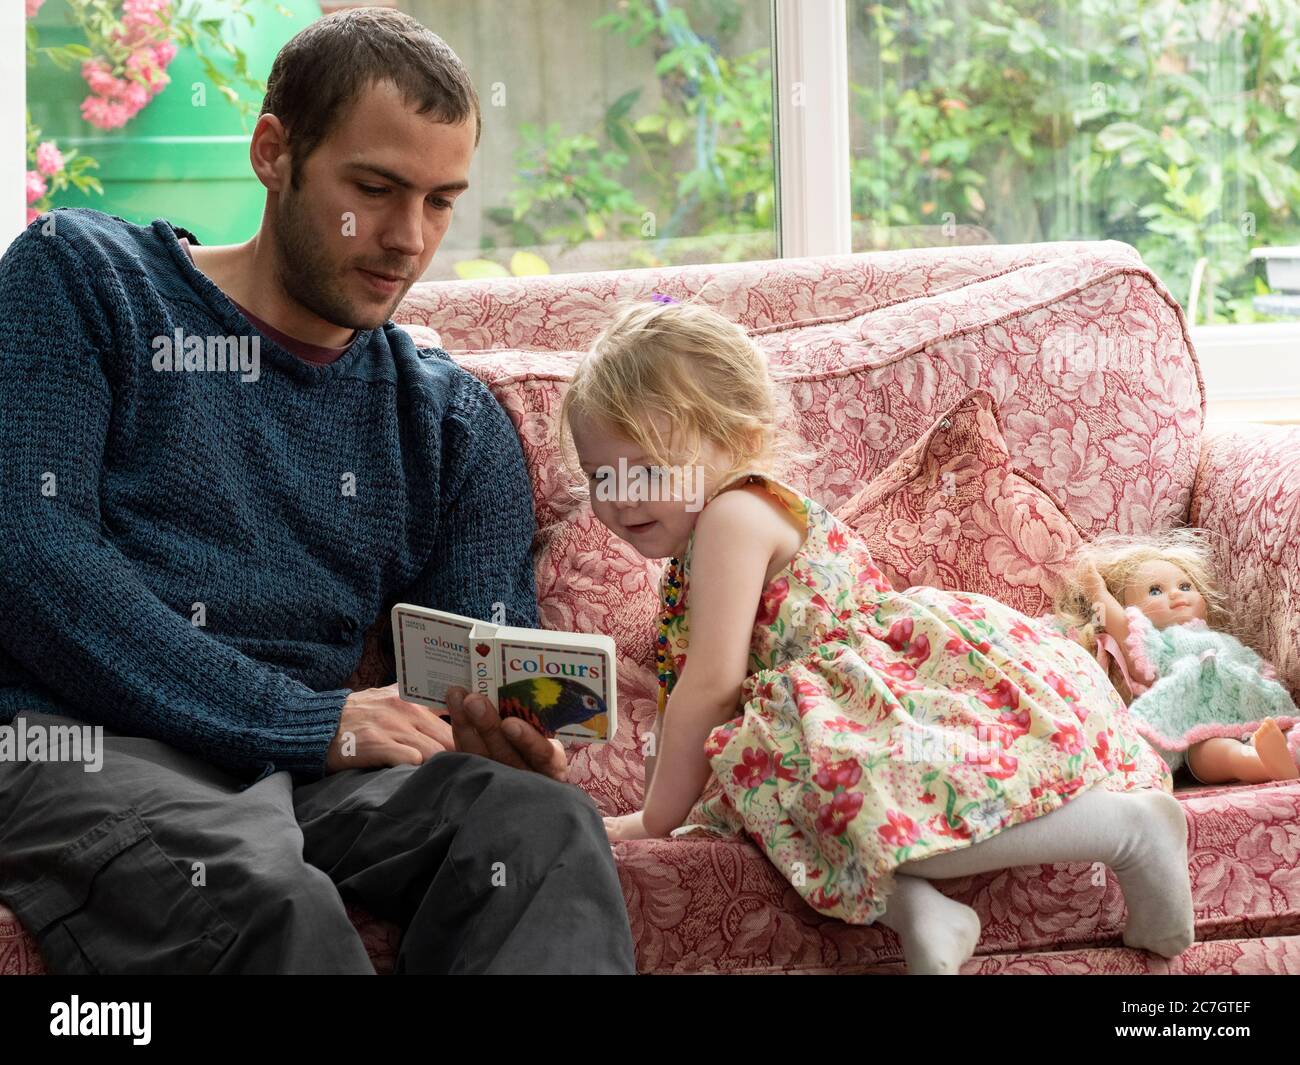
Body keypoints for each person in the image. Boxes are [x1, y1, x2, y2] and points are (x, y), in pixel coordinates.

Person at [0, 8, 634, 975]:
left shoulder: (450, 421)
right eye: (375, 188)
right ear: (272, 153)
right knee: (267, 900)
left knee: (540, 827)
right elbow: (34, 560)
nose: (405, 239)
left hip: (312, 771)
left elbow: (479, 650)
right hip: (87, 744)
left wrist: (499, 735)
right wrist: (314, 720)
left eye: (440, 200)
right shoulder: (84, 279)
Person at [569, 297, 1194, 974]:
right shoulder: (702, 540)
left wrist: (654, 817)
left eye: (647, 470)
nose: (620, 497)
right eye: (601, 476)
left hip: (878, 693)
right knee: (766, 799)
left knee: (892, 808)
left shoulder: (731, 515)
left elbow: (711, 683)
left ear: (740, 438)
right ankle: (921, 909)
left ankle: (1131, 829)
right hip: (815, 716)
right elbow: (697, 698)